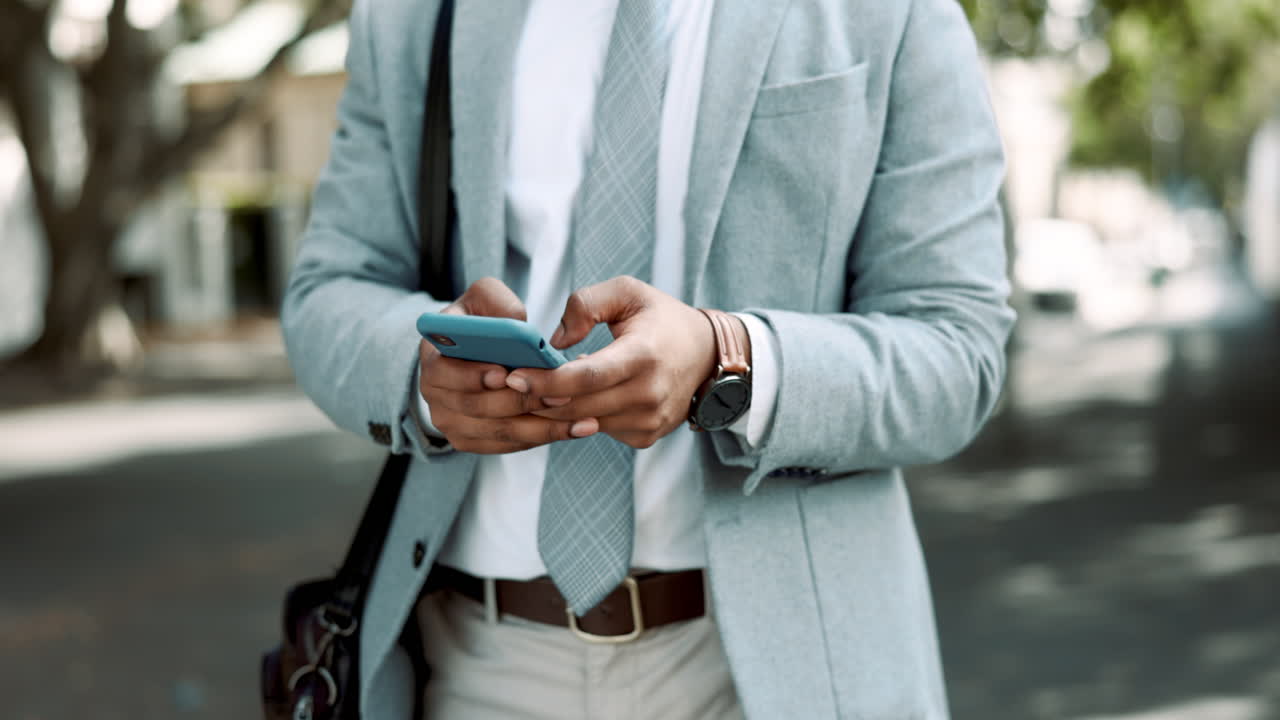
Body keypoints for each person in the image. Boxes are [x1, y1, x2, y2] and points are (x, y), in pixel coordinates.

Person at [282, 0, 1015, 717]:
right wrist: (421, 372)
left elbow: (957, 346)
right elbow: (328, 292)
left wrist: (730, 360)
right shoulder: (410, 16)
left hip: (778, 667)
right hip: (473, 663)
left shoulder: (897, 12)